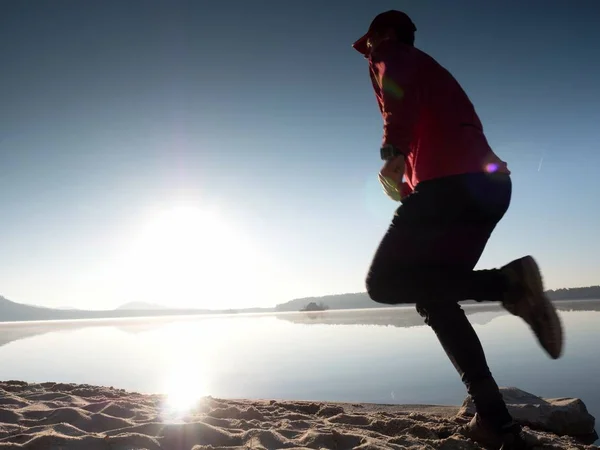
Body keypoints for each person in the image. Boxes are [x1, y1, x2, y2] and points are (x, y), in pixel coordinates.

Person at [353, 10, 564, 450]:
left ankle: (508, 284)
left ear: (384, 37)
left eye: (371, 45)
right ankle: (497, 423)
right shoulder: (434, 75)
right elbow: (440, 132)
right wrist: (407, 182)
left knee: (384, 284)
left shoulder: (393, 55)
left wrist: (392, 150)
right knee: (434, 296)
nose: (369, 53)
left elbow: (398, 91)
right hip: (488, 187)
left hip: (452, 184)